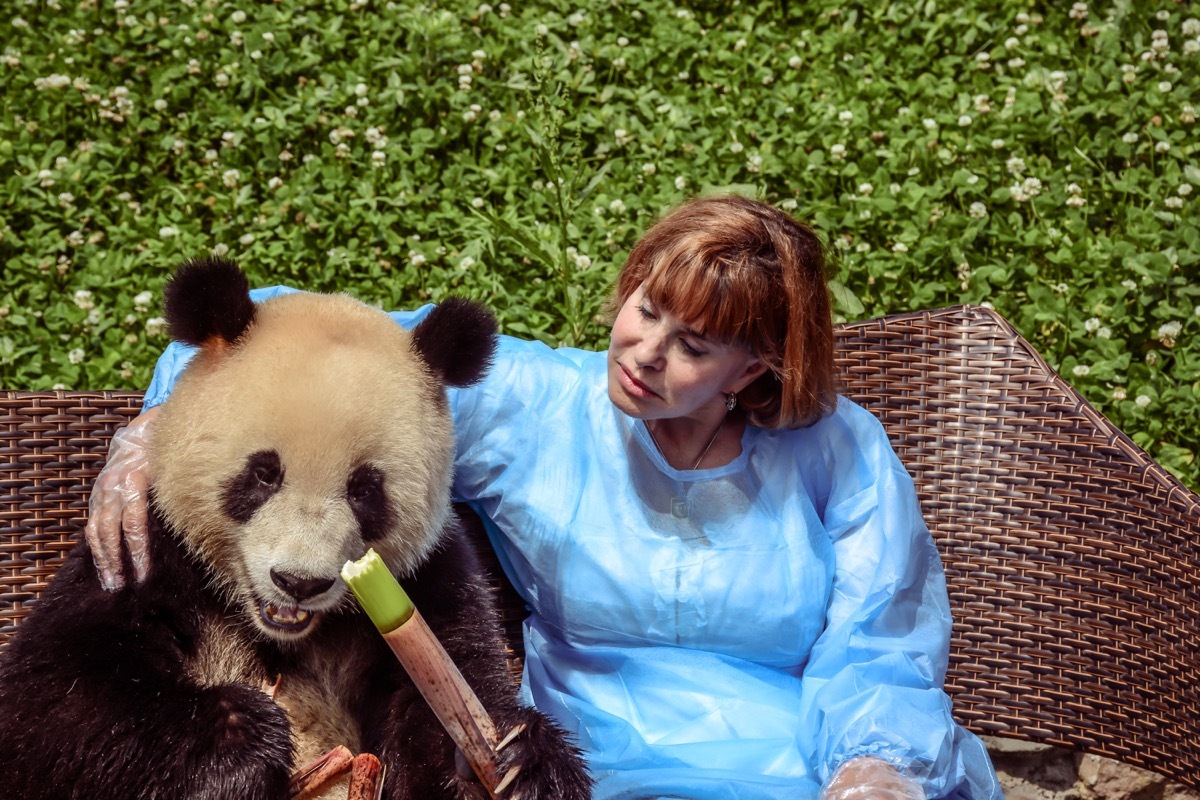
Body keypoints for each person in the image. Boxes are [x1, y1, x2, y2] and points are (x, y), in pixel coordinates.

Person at [86, 194, 1003, 800]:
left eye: (693, 344)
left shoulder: (839, 449)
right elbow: (309, 335)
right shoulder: (530, 404)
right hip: (592, 760)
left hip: (810, 761)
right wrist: (153, 421)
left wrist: (875, 763)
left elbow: (881, 635)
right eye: (644, 306)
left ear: (756, 366)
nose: (644, 350)